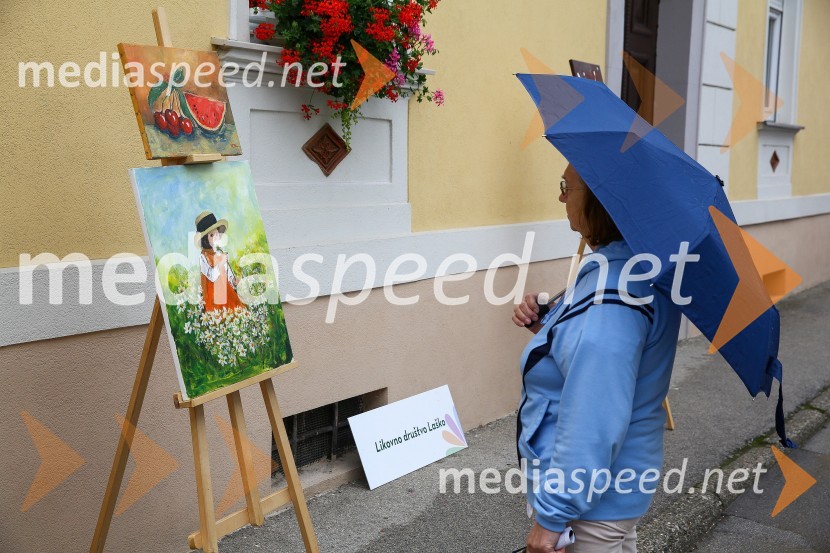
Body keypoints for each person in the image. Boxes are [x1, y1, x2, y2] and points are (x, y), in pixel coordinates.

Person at [512, 164, 681, 553]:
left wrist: (551, 519)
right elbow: (594, 357)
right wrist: (549, 326)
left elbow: (592, 415)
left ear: (599, 200)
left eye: (567, 187)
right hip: (613, 493)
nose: (561, 196)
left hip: (590, 509)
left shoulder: (614, 293)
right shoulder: (632, 268)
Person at [195, 211, 244, 312]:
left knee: (235, 310)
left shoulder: (219, 253)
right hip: (213, 297)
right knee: (220, 316)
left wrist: (234, 282)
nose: (215, 237)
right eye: (211, 235)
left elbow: (227, 274)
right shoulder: (203, 256)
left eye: (216, 234)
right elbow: (212, 276)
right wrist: (221, 263)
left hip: (227, 292)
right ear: (205, 239)